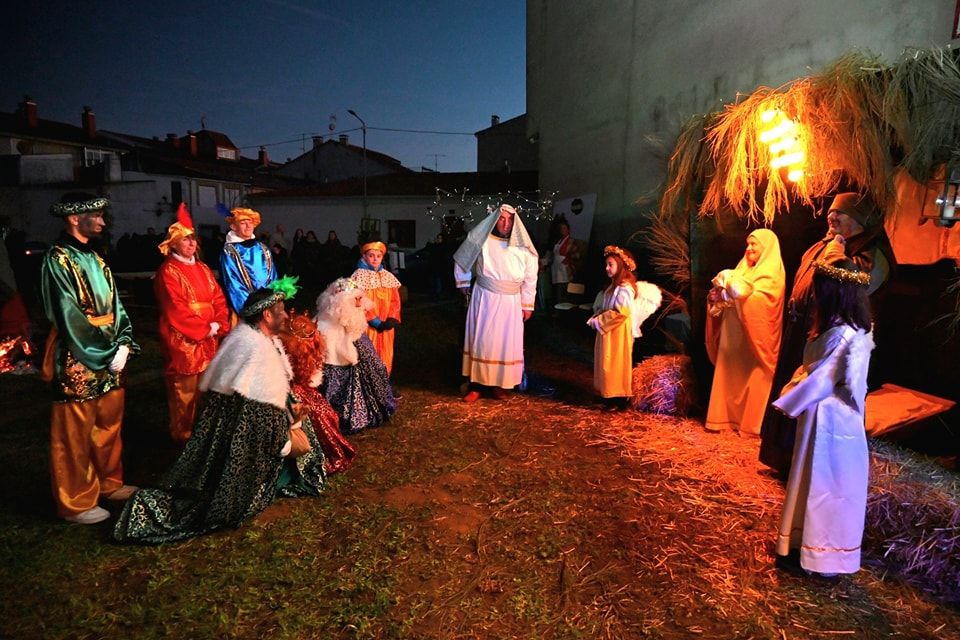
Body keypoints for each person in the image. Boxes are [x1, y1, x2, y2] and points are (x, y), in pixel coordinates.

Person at [114, 278, 327, 544]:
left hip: (245, 430)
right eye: (281, 310)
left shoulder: (256, 340)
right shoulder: (255, 351)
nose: (286, 315)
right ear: (266, 314)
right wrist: (285, 438)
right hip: (247, 443)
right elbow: (257, 418)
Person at [759, 192, 893, 475]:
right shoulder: (826, 244)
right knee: (790, 391)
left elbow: (851, 286)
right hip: (804, 333)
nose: (831, 218)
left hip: (833, 344)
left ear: (859, 219)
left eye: (840, 214)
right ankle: (782, 459)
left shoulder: (871, 254)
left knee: (817, 401)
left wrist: (835, 253)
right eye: (831, 213)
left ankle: (806, 467)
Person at [40, 193, 139, 524]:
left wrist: (124, 340)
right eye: (94, 215)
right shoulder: (58, 259)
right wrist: (107, 350)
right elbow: (68, 314)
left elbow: (117, 307)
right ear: (73, 219)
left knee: (108, 424)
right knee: (75, 431)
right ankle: (77, 500)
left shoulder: (96, 259)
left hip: (111, 353)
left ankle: (109, 483)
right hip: (78, 357)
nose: (101, 221)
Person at [772, 259, 874, 578]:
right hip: (819, 417)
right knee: (808, 480)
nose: (814, 295)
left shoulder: (844, 334)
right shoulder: (834, 328)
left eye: (820, 289)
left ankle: (824, 557)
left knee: (827, 486)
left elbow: (822, 380)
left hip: (832, 422)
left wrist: (790, 397)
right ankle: (802, 544)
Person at [154, 204, 230, 444]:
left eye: (193, 240)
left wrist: (218, 322)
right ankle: (182, 434)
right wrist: (204, 328)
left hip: (209, 336)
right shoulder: (168, 271)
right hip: (184, 339)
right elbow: (176, 308)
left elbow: (218, 297)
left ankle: (204, 433)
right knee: (184, 390)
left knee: (208, 387)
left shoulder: (203, 268)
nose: (191, 244)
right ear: (173, 243)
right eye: (185, 240)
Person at [454, 204, 538, 402]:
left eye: (510, 219)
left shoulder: (524, 248)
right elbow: (464, 257)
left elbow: (530, 277)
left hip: (511, 302)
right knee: (482, 341)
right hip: (485, 297)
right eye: (501, 219)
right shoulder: (482, 240)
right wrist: (463, 280)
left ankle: (500, 385)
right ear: (494, 219)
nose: (506, 223)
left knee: (505, 344)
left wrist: (527, 303)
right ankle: (477, 385)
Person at [705, 229, 785, 436]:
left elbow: (759, 300)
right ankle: (724, 419)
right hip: (733, 337)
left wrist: (730, 286)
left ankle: (751, 425)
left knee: (756, 378)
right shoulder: (741, 270)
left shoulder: (771, 274)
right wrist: (718, 296)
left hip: (755, 339)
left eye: (754, 245)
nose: (749, 248)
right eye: (747, 244)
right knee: (730, 375)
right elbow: (731, 294)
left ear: (766, 248)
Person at [315, 278, 396, 434]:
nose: (359, 303)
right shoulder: (326, 324)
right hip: (338, 356)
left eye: (360, 298)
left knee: (375, 367)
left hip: (357, 344)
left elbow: (355, 327)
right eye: (355, 299)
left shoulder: (353, 316)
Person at [279, 312, 356, 475]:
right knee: (319, 415)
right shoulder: (287, 353)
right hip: (289, 394)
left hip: (298, 390)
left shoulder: (296, 352)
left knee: (323, 414)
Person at [587, 246, 662, 411]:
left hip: (617, 332)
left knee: (615, 363)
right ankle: (606, 394)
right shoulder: (612, 287)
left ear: (620, 266)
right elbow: (607, 307)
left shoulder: (624, 289)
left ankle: (618, 398)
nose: (607, 268)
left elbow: (622, 312)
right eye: (606, 264)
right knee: (605, 361)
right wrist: (597, 315)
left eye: (610, 264)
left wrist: (599, 321)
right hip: (609, 330)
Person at [350, 240, 402, 375]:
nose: (375, 259)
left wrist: (392, 317)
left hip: (386, 324)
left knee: (386, 352)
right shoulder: (358, 276)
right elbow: (358, 301)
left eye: (378, 256)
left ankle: (384, 382)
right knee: (368, 353)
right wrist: (375, 321)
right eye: (371, 255)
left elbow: (395, 300)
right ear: (364, 257)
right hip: (368, 325)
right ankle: (369, 385)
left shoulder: (388, 276)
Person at [218, 205, 277, 317]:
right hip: (248, 309)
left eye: (250, 222)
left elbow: (272, 276)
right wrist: (251, 311)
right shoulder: (229, 252)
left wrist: (272, 303)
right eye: (243, 222)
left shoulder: (263, 248)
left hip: (268, 308)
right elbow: (233, 284)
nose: (248, 225)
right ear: (233, 227)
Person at [550, 218, 584, 304]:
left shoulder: (572, 241)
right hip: (556, 269)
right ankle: (557, 309)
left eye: (564, 228)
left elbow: (577, 255)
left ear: (568, 230)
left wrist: (567, 260)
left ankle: (563, 312)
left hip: (565, 269)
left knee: (564, 291)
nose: (562, 230)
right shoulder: (558, 241)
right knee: (557, 291)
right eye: (560, 228)